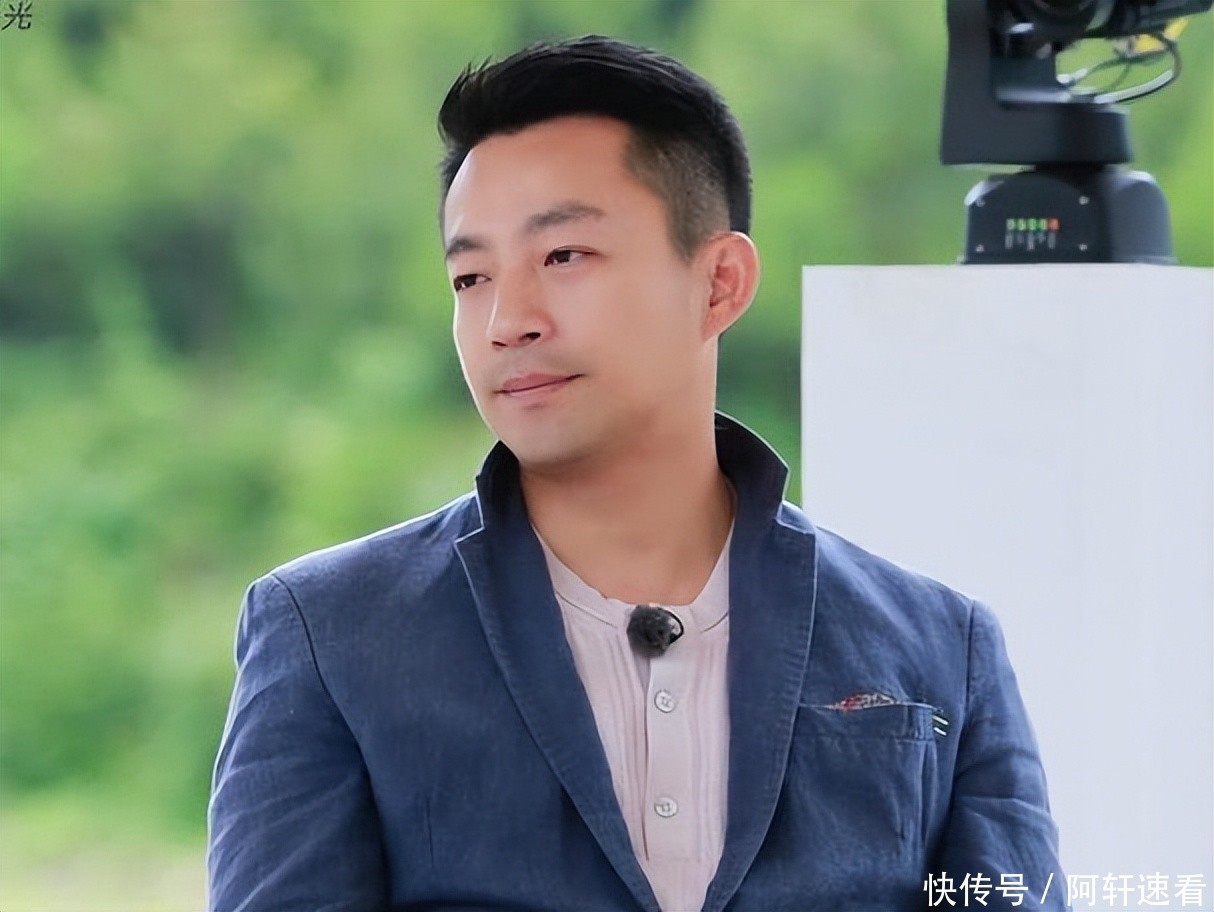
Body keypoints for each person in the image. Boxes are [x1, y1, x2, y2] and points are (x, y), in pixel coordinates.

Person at [207, 35, 1066, 912]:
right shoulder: (332, 634)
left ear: (720, 283)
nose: (506, 321)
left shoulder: (940, 645)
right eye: (470, 277)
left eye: (563, 256)